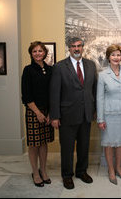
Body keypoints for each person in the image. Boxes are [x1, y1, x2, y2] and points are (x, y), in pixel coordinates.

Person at [49, 36, 98, 190]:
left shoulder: (90, 65)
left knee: (84, 146)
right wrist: (55, 116)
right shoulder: (60, 67)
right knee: (67, 148)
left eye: (79, 46)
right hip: (67, 115)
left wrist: (95, 109)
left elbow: (94, 89)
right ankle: (67, 175)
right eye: (73, 46)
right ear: (68, 49)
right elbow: (54, 93)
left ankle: (81, 171)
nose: (76, 49)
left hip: (86, 114)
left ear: (83, 47)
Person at [97, 44, 121, 185]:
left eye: (118, 55)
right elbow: (100, 98)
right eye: (113, 55)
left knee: (120, 143)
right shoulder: (102, 75)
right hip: (108, 114)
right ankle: (111, 170)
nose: (116, 57)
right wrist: (100, 118)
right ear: (108, 57)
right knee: (109, 144)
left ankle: (119, 168)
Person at [21, 41, 55, 187]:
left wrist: (50, 113)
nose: (37, 53)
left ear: (45, 53)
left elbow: (53, 93)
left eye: (40, 51)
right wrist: (38, 113)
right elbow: (26, 96)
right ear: (31, 53)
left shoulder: (50, 69)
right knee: (34, 144)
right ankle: (35, 172)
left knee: (44, 142)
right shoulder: (28, 70)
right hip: (33, 111)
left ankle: (43, 170)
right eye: (34, 51)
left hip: (48, 111)